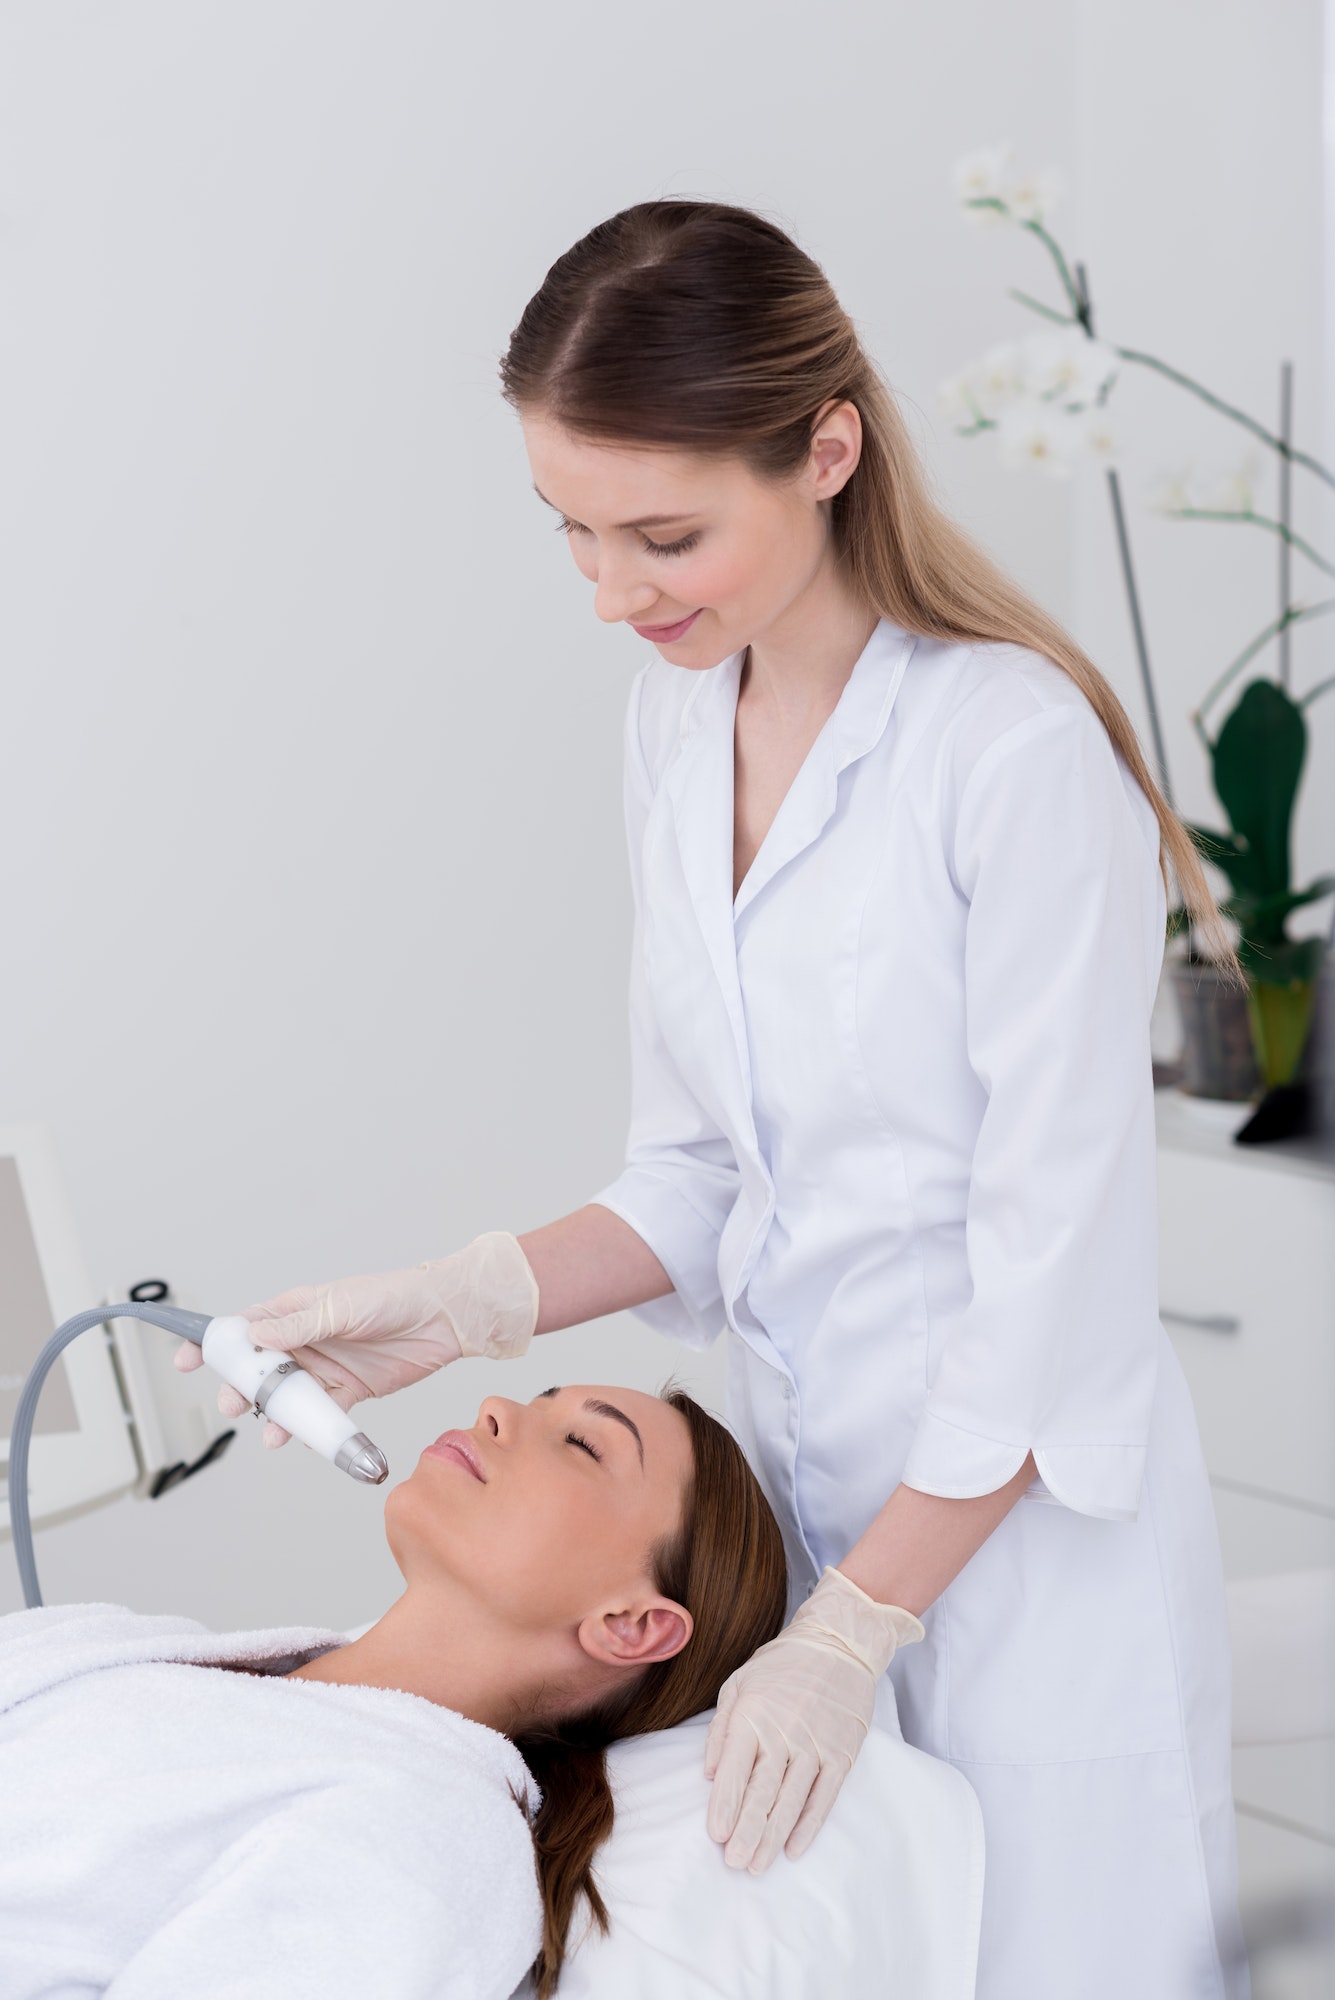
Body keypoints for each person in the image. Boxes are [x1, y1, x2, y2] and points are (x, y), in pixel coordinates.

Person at [180, 201, 1248, 1998]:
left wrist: (863, 1622)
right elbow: (697, 1172)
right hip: (803, 1539)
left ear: (826, 449)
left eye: (664, 535)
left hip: (1021, 1574)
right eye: (573, 536)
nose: (614, 593)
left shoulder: (1009, 754)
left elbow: (1052, 1281)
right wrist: (458, 1301)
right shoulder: (675, 727)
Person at [0, 1381, 787, 2000]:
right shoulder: (110, 1643)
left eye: (583, 1442)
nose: (496, 1407)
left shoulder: (426, 1841)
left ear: (629, 1626)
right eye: (536, 1396)